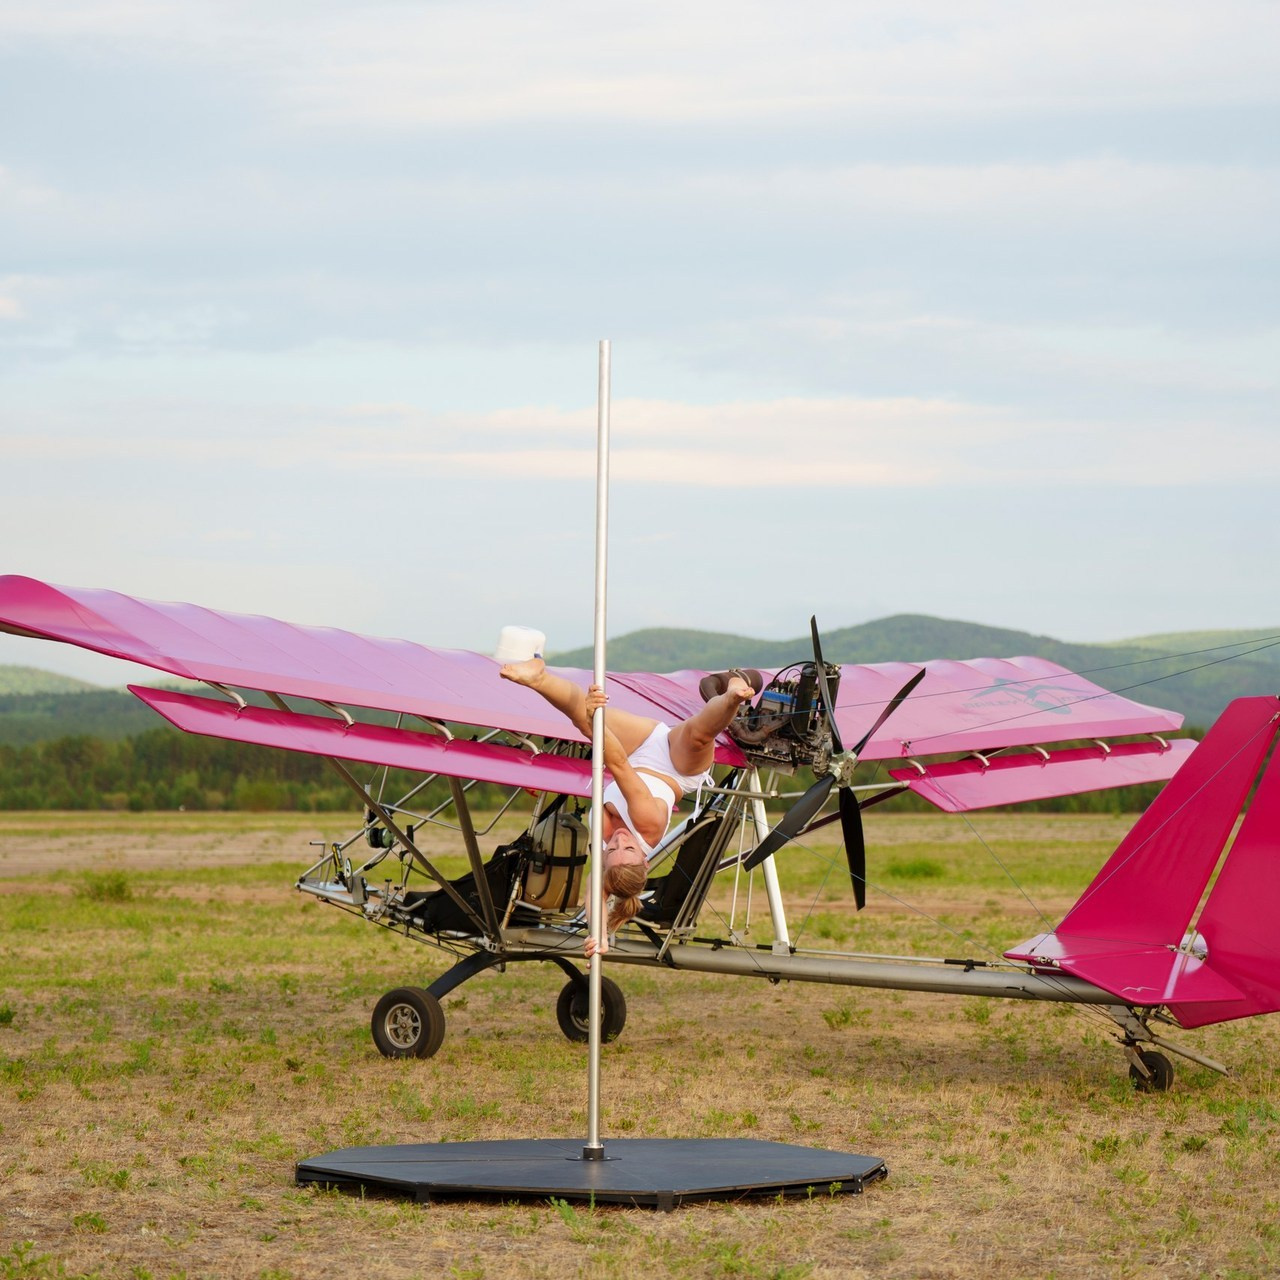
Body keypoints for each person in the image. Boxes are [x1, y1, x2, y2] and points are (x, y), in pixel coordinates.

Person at [499, 659, 761, 954]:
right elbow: (618, 765)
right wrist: (593, 723)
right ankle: (733, 696)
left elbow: (595, 898)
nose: (620, 841)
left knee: (583, 717)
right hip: (678, 768)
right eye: (630, 850)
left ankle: (538, 677)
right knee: (697, 735)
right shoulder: (646, 823)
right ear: (645, 860)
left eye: (612, 850)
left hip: (639, 749)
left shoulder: (605, 862)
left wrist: (599, 938)